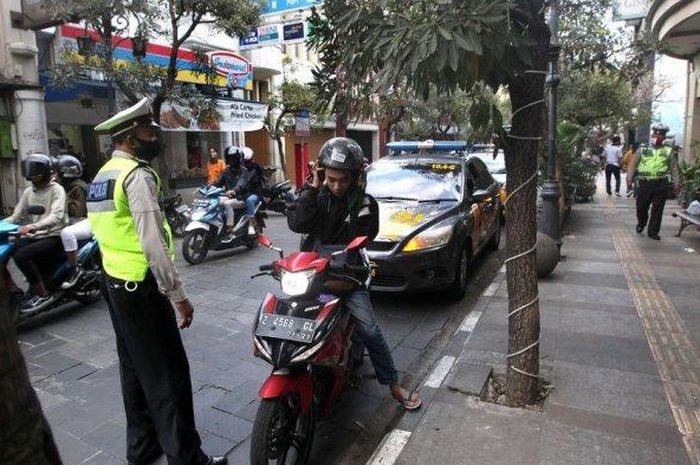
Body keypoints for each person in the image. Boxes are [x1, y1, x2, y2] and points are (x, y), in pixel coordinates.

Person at [87, 98, 226, 465]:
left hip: (115, 284)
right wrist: (178, 295)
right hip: (141, 286)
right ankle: (187, 458)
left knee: (133, 369)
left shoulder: (101, 178)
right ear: (131, 138)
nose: (155, 134)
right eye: (149, 129)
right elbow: (152, 243)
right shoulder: (136, 176)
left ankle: (142, 447)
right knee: (168, 374)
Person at [287, 137, 422, 411]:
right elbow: (298, 223)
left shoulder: (364, 202)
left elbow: (366, 234)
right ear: (322, 174)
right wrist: (312, 190)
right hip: (313, 270)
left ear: (356, 177)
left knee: (370, 330)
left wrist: (359, 196)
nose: (337, 185)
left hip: (349, 273)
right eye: (331, 179)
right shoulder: (314, 195)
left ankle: (393, 384)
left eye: (344, 180)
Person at [3, 154, 69, 310]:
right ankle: (13, 289)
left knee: (22, 255)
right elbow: (16, 216)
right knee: (10, 248)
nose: (34, 178)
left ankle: (42, 294)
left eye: (37, 175)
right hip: (36, 236)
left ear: (45, 173)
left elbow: (56, 215)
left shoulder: (57, 190)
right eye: (31, 175)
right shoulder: (28, 192)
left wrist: (35, 226)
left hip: (54, 235)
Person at [627, 123, 679, 240]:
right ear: (652, 134)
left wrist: (676, 183)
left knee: (657, 209)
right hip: (644, 183)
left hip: (661, 183)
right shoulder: (643, 148)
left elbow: (674, 168)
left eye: (661, 134)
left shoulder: (667, 151)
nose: (658, 135)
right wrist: (629, 178)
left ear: (664, 137)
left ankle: (653, 232)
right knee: (641, 207)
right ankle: (641, 223)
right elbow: (633, 165)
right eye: (656, 133)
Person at [54, 155, 93, 289]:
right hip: (73, 221)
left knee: (66, 234)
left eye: (57, 173)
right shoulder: (66, 187)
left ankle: (74, 268)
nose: (54, 176)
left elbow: (78, 212)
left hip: (86, 221)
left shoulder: (77, 187)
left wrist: (62, 200)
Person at [211, 145, 249, 238]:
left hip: (242, 197)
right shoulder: (226, 170)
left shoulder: (244, 170)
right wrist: (206, 188)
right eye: (230, 158)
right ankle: (217, 225)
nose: (232, 160)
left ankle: (230, 229)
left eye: (233, 158)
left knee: (228, 204)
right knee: (216, 202)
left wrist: (234, 190)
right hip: (229, 196)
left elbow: (242, 183)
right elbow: (218, 182)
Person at [241, 146, 263, 232]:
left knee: (249, 200)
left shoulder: (255, 167)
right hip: (241, 193)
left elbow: (251, 180)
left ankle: (251, 222)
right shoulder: (238, 167)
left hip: (254, 193)